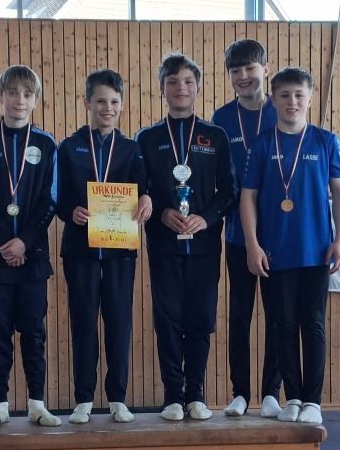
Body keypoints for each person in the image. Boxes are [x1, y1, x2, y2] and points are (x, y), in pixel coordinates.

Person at [240, 66, 340, 424]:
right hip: (275, 253)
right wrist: (253, 245)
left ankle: (313, 401)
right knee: (282, 325)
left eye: (299, 95)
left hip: (316, 252)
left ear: (310, 98)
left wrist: (339, 240)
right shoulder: (261, 145)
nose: (292, 101)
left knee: (313, 325)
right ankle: (293, 398)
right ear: (272, 99)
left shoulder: (325, 140)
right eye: (285, 95)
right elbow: (248, 197)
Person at [136, 52, 236, 421]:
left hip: (204, 244)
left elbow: (229, 191)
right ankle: (172, 398)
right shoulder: (147, 138)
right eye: (173, 82)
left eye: (188, 82)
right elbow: (139, 190)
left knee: (200, 318)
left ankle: (196, 395)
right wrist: (162, 212)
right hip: (163, 243)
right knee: (168, 319)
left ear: (198, 88)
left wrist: (205, 219)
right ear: (162, 89)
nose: (181, 87)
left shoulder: (215, 136)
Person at [0, 64, 61, 429]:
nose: (19, 100)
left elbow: (51, 199)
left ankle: (37, 404)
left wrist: (25, 242)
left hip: (33, 256)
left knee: (34, 333)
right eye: (12, 93)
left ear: (36, 100)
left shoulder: (47, 144)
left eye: (27, 94)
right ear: (0, 96)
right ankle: (0, 404)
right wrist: (6, 243)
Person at [57, 69, 151, 424]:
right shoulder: (69, 147)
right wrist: (70, 211)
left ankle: (117, 398)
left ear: (121, 106)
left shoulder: (131, 149)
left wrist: (148, 200)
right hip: (79, 249)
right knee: (83, 322)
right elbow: (57, 196)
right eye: (100, 101)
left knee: (118, 323)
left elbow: (144, 189)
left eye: (113, 102)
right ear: (87, 104)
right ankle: (83, 398)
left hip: (119, 251)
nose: (107, 108)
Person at [212, 39, 282, 418]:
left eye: (249, 68)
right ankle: (240, 392)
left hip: (280, 236)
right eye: (235, 70)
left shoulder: (281, 111)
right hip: (238, 234)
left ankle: (271, 392)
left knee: (277, 315)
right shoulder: (221, 118)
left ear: (265, 70)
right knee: (239, 314)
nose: (242, 76)